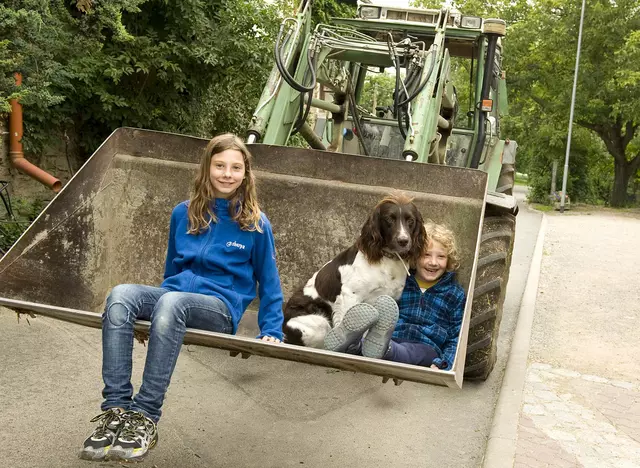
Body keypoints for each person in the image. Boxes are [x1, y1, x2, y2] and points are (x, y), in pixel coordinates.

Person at [80, 133, 284, 462]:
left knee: (172, 303)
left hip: (219, 310)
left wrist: (272, 329)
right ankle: (116, 410)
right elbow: (171, 267)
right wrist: (158, 320)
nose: (227, 174)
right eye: (219, 166)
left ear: (246, 174)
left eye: (235, 167)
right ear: (207, 168)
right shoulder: (183, 213)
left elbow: (270, 282)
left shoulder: (255, 224)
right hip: (174, 299)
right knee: (120, 294)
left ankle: (145, 417)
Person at [324, 221, 465, 370]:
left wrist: (444, 364)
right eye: (426, 255)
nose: (433, 262)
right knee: (374, 340)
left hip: (426, 346)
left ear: (449, 260)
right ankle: (353, 344)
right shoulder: (401, 282)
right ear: (414, 256)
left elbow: (456, 336)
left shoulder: (454, 293)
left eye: (441, 257)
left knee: (409, 352)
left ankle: (375, 349)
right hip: (387, 336)